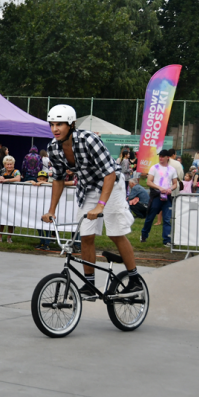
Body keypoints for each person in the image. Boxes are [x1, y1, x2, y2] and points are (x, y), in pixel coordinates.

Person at [41, 104, 143, 296]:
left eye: (60, 124)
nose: (55, 129)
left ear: (71, 125)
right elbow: (59, 178)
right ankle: (90, 285)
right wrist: (51, 210)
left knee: (115, 233)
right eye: (52, 124)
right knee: (85, 236)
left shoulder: (89, 139)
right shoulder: (53, 148)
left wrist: (100, 206)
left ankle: (135, 278)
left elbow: (110, 174)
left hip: (111, 185)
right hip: (88, 187)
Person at [140, 150, 178, 246]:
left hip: (167, 197)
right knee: (150, 217)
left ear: (167, 157)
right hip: (156, 195)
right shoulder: (154, 168)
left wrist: (170, 189)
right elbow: (149, 182)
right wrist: (159, 188)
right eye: (160, 156)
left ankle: (167, 240)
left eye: (162, 156)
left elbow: (175, 184)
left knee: (167, 219)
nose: (160, 158)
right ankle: (144, 235)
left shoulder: (172, 170)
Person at [0, 155, 21, 242]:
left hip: (14, 197)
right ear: (4, 165)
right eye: (7, 164)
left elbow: (18, 179)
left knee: (11, 217)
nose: (9, 166)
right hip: (2, 198)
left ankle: (9, 237)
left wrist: (6, 180)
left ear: (13, 164)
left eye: (11, 164)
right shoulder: (2, 171)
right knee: (1, 216)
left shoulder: (16, 171)